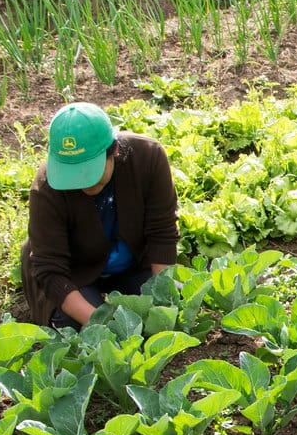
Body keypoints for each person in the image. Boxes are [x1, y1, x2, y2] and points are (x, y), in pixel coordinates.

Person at [20, 103, 180, 328]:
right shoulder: (47, 187)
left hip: (134, 264)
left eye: (89, 171)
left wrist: (163, 301)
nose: (83, 181)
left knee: (167, 309)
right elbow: (50, 270)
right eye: (73, 173)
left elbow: (162, 233)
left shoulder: (148, 157)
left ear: (113, 150)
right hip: (76, 272)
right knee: (72, 325)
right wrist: (103, 326)